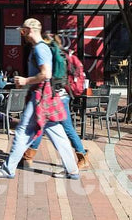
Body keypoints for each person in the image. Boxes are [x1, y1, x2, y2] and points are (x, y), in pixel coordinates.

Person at [0, 18, 79, 180]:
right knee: (57, 131)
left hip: (40, 96)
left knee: (23, 131)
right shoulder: (41, 48)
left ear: (30, 30)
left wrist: (25, 81)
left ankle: (8, 169)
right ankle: (72, 170)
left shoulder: (39, 49)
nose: (22, 34)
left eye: (23, 31)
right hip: (46, 96)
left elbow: (46, 74)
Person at [22, 34, 90, 171]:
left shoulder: (50, 55)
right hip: (63, 95)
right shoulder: (63, 55)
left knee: (62, 127)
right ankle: (28, 156)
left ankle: (82, 157)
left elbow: (46, 75)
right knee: (44, 124)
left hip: (55, 96)